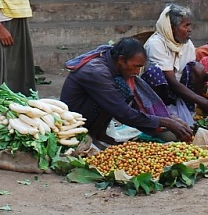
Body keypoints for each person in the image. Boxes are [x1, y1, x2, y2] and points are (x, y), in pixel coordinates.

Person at [60, 38, 193, 144]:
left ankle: (100, 134)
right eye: (136, 66)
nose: (137, 72)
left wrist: (168, 117)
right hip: (74, 120)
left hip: (89, 109)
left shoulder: (111, 62)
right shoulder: (97, 72)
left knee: (121, 87)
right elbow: (122, 112)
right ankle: (91, 135)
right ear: (121, 60)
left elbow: (133, 105)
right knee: (116, 91)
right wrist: (164, 122)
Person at [141, 4, 208, 125]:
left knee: (198, 68)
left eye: (190, 25)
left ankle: (189, 111)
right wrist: (205, 103)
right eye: (185, 26)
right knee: (154, 73)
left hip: (178, 89)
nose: (190, 29)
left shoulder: (186, 44)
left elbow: (192, 70)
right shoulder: (156, 44)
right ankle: (160, 112)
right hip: (160, 92)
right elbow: (172, 83)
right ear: (172, 28)